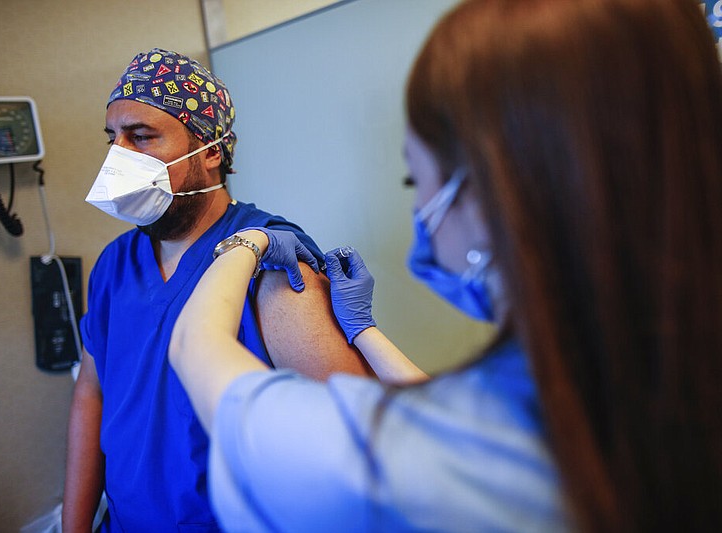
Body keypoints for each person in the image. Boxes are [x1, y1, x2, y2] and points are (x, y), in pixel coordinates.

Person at [168, 0, 722, 531]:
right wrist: (364, 332)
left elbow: (197, 350)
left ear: (487, 192)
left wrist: (245, 245)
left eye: (415, 179)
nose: (417, 209)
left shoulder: (417, 463)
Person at [62, 48, 373, 532]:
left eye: (141, 137)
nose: (117, 156)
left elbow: (359, 436)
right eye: (113, 138)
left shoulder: (271, 267)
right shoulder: (114, 265)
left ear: (210, 151)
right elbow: (92, 392)